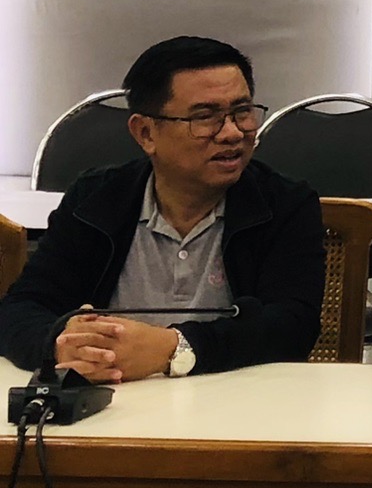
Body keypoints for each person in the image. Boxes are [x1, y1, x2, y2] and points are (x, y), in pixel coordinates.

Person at [0, 36, 325, 380]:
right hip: (113, 397)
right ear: (145, 133)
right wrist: (61, 344)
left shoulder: (285, 204)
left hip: (236, 398)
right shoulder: (95, 199)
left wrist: (173, 348)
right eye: (205, 117)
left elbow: (292, 327)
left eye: (242, 112)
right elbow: (20, 309)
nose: (231, 133)